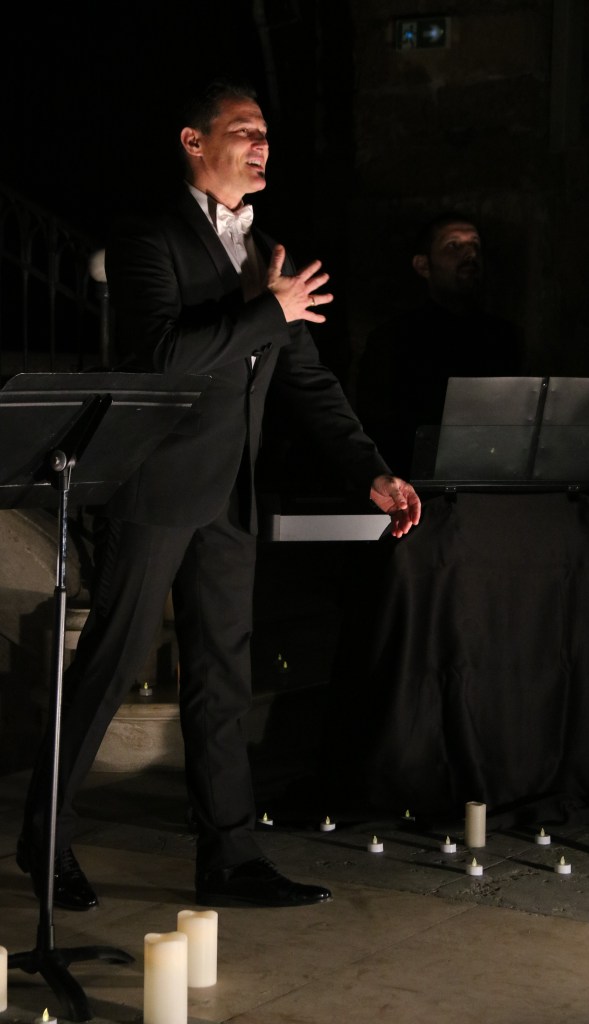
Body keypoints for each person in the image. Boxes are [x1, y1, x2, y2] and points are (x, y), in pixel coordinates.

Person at [17, 77, 421, 911]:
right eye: (243, 129)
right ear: (194, 142)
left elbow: (307, 381)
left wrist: (370, 469)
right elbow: (160, 357)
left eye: (266, 131)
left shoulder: (269, 251)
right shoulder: (149, 238)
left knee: (221, 681)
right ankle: (45, 842)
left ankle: (230, 857)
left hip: (231, 497)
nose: (261, 142)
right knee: (107, 670)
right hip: (156, 489)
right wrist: (266, 311)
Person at [355, 211, 525, 478]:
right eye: (453, 245)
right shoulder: (394, 338)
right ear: (423, 265)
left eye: (475, 244)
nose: (470, 254)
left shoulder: (503, 337)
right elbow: (376, 425)